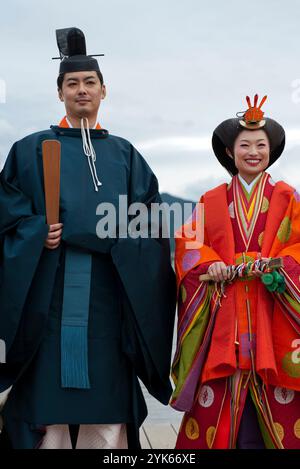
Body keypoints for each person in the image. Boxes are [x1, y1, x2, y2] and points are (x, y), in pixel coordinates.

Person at [0, 27, 176, 449]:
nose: (82, 90)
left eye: (90, 83)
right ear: (59, 92)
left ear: (103, 91)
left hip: (109, 305)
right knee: (49, 418)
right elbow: (8, 215)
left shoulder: (126, 155)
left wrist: (115, 239)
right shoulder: (29, 150)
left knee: (107, 418)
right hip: (48, 301)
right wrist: (36, 233)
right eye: (72, 83)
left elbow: (150, 225)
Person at [171, 95, 300, 449]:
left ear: (271, 151)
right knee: (217, 407)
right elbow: (188, 242)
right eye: (245, 145)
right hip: (224, 311)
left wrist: (282, 267)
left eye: (261, 145)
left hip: (272, 308)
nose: (253, 151)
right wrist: (207, 263)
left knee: (282, 406)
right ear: (230, 152)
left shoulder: (288, 198)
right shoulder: (211, 200)